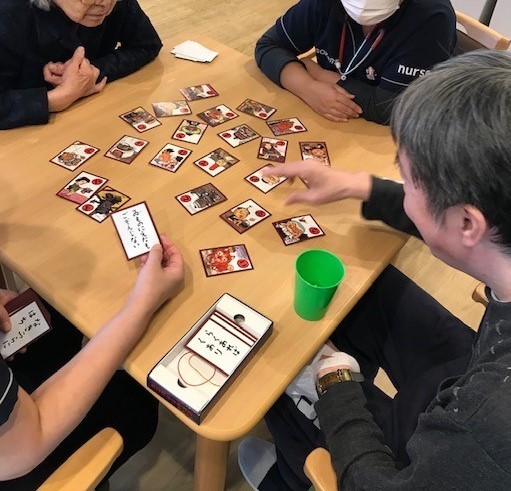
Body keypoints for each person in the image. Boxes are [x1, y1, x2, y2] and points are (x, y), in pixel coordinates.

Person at [238, 50, 511, 490]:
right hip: (474, 372)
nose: (403, 188)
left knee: (276, 356)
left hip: (431, 459)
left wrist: (335, 382)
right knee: (366, 290)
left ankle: (289, 477)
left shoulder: (484, 430)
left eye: (408, 179)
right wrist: (358, 185)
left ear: (467, 222)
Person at [0, 235, 184, 490]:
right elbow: (22, 449)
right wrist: (143, 303)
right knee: (135, 396)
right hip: (17, 459)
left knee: (54, 313)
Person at [255, 0, 455, 125]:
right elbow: (269, 45)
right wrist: (308, 88)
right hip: (332, 122)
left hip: (387, 141)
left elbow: (390, 108)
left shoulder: (431, 17)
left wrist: (320, 75)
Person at [0, 0, 162, 130]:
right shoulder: (8, 13)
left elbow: (147, 44)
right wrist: (56, 99)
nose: (105, 4)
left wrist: (90, 72)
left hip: (92, 120)